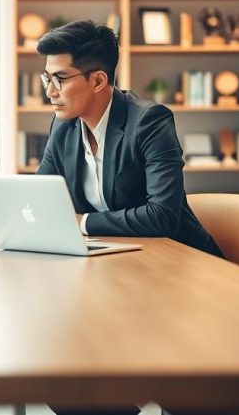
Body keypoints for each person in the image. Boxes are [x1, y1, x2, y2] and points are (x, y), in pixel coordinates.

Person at [36, 19, 223, 258]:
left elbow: (162, 216)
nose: (50, 91)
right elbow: (43, 199)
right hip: (117, 257)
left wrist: (83, 222)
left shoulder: (150, 122)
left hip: (180, 259)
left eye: (59, 79)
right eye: (47, 79)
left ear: (98, 81)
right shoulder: (63, 126)